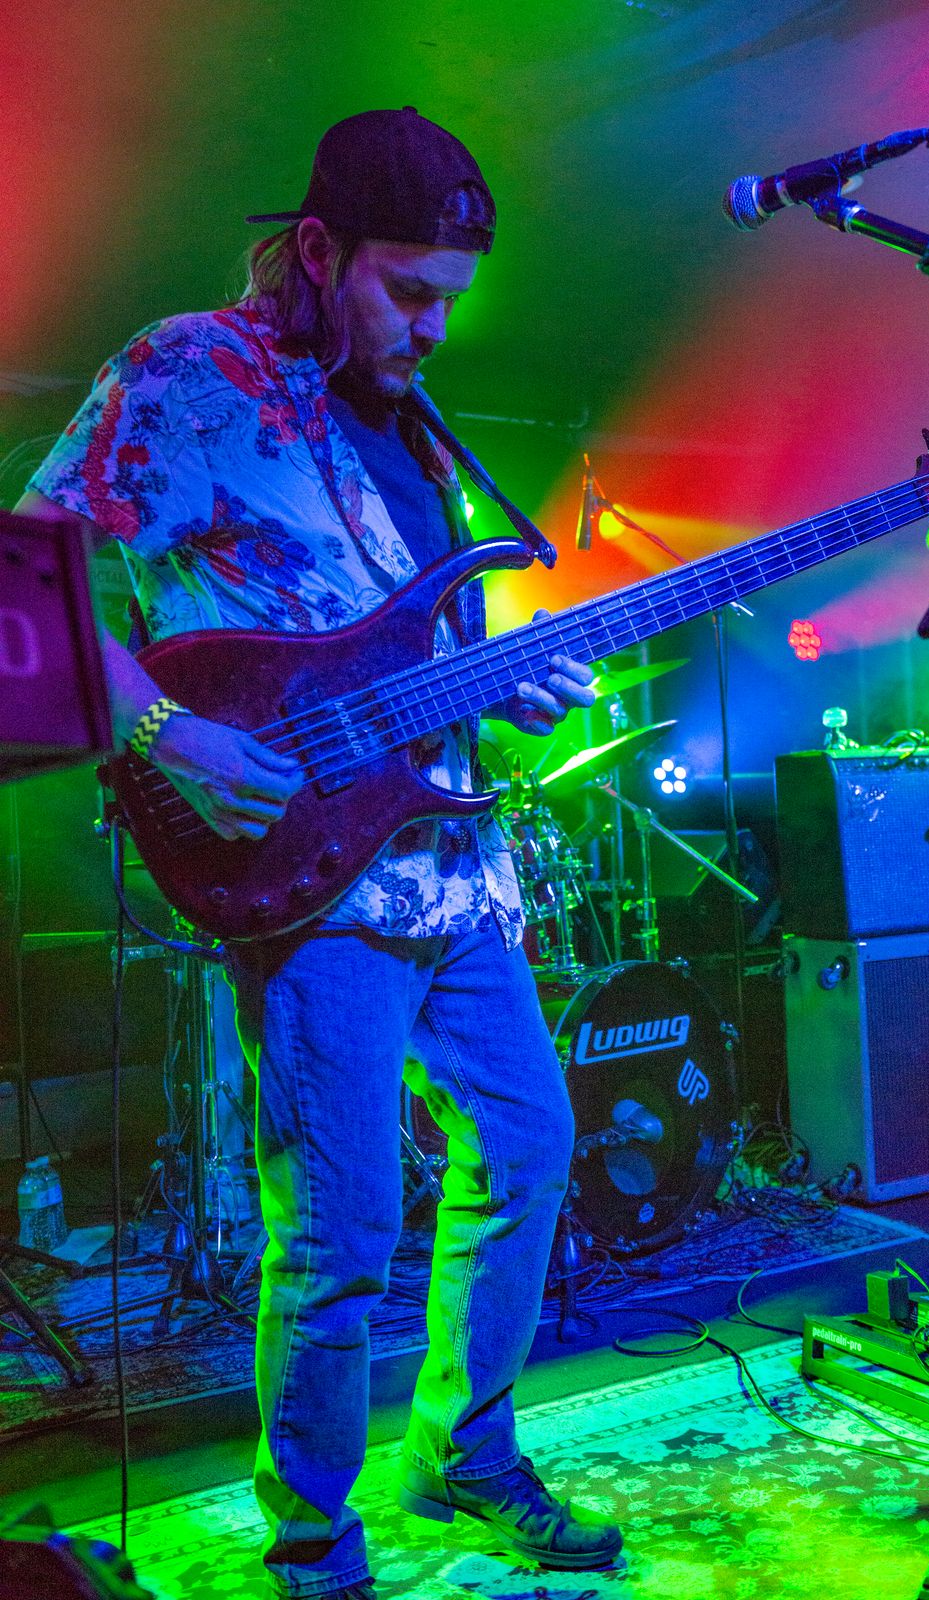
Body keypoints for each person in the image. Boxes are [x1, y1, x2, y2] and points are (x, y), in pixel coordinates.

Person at [18, 108, 623, 1600]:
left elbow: (404, 655)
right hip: (309, 880)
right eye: (407, 291)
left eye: (450, 300)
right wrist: (164, 730)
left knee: (528, 1148)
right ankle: (311, 1538)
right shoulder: (190, 376)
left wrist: (507, 687)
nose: (433, 328)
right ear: (315, 250)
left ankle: (461, 1451)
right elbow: (20, 586)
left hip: (455, 874)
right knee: (342, 1227)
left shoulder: (415, 428)